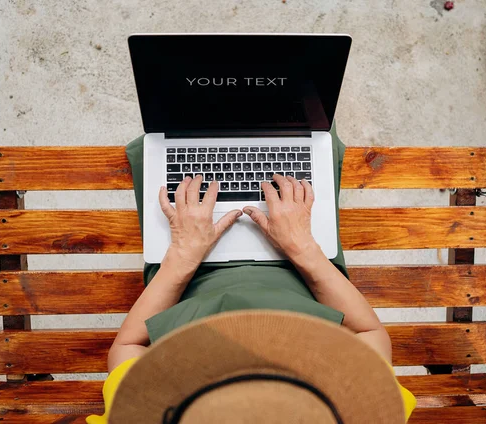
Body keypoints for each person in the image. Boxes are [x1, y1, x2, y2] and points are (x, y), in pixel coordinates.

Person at [86, 125, 417, 423]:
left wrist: (182, 257)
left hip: (190, 275)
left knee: (168, 137)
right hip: (300, 273)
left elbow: (128, 345)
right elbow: (369, 333)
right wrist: (303, 248)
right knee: (306, 130)